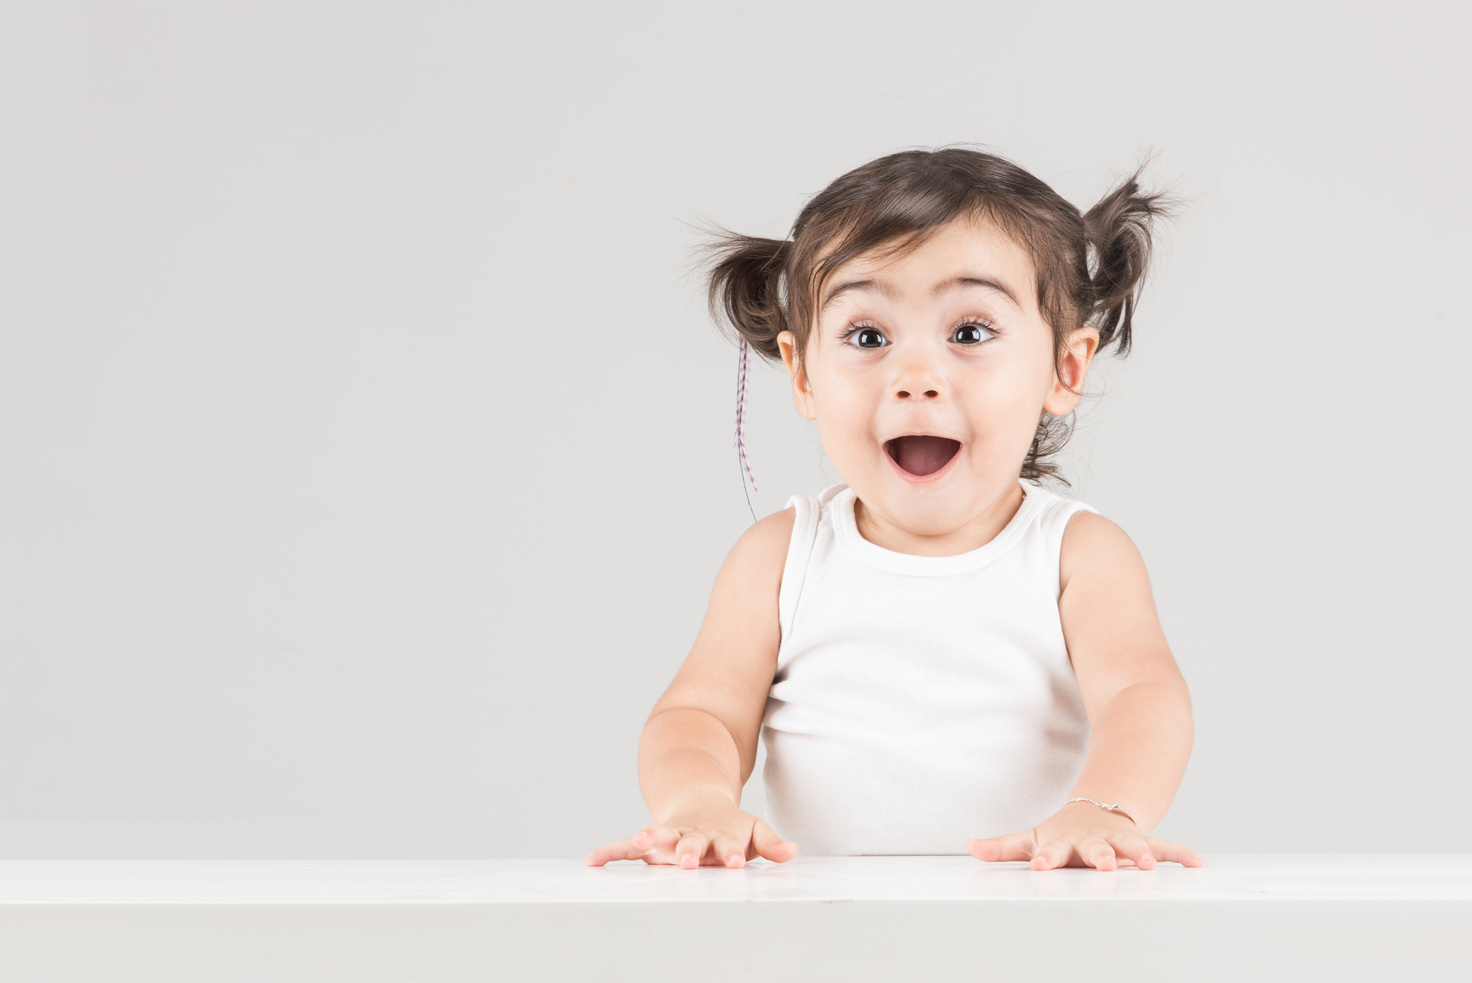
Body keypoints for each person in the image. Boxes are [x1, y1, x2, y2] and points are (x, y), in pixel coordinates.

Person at [586, 146, 1202, 871]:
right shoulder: (782, 556)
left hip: (1033, 910)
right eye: (868, 336)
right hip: (826, 922)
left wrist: (1102, 808)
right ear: (804, 371)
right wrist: (696, 802)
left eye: (969, 332)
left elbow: (1144, 696)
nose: (915, 377)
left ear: (1065, 367)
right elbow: (701, 714)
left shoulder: (1075, 554)